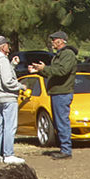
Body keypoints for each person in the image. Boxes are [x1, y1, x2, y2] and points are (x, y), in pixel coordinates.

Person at [29, 30, 76, 160]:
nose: (52, 42)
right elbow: (53, 73)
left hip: (62, 93)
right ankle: (63, 148)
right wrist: (39, 71)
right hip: (57, 92)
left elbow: (62, 71)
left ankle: (66, 150)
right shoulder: (60, 55)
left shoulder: (68, 54)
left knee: (62, 122)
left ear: (60, 41)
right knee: (58, 122)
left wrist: (44, 68)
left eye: (54, 40)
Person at [0, 36, 27, 164]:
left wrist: (12, 65)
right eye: (7, 45)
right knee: (9, 126)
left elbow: (0, 76)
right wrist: (21, 86)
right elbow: (7, 81)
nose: (8, 48)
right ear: (3, 46)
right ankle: (8, 154)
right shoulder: (2, 61)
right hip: (8, 97)